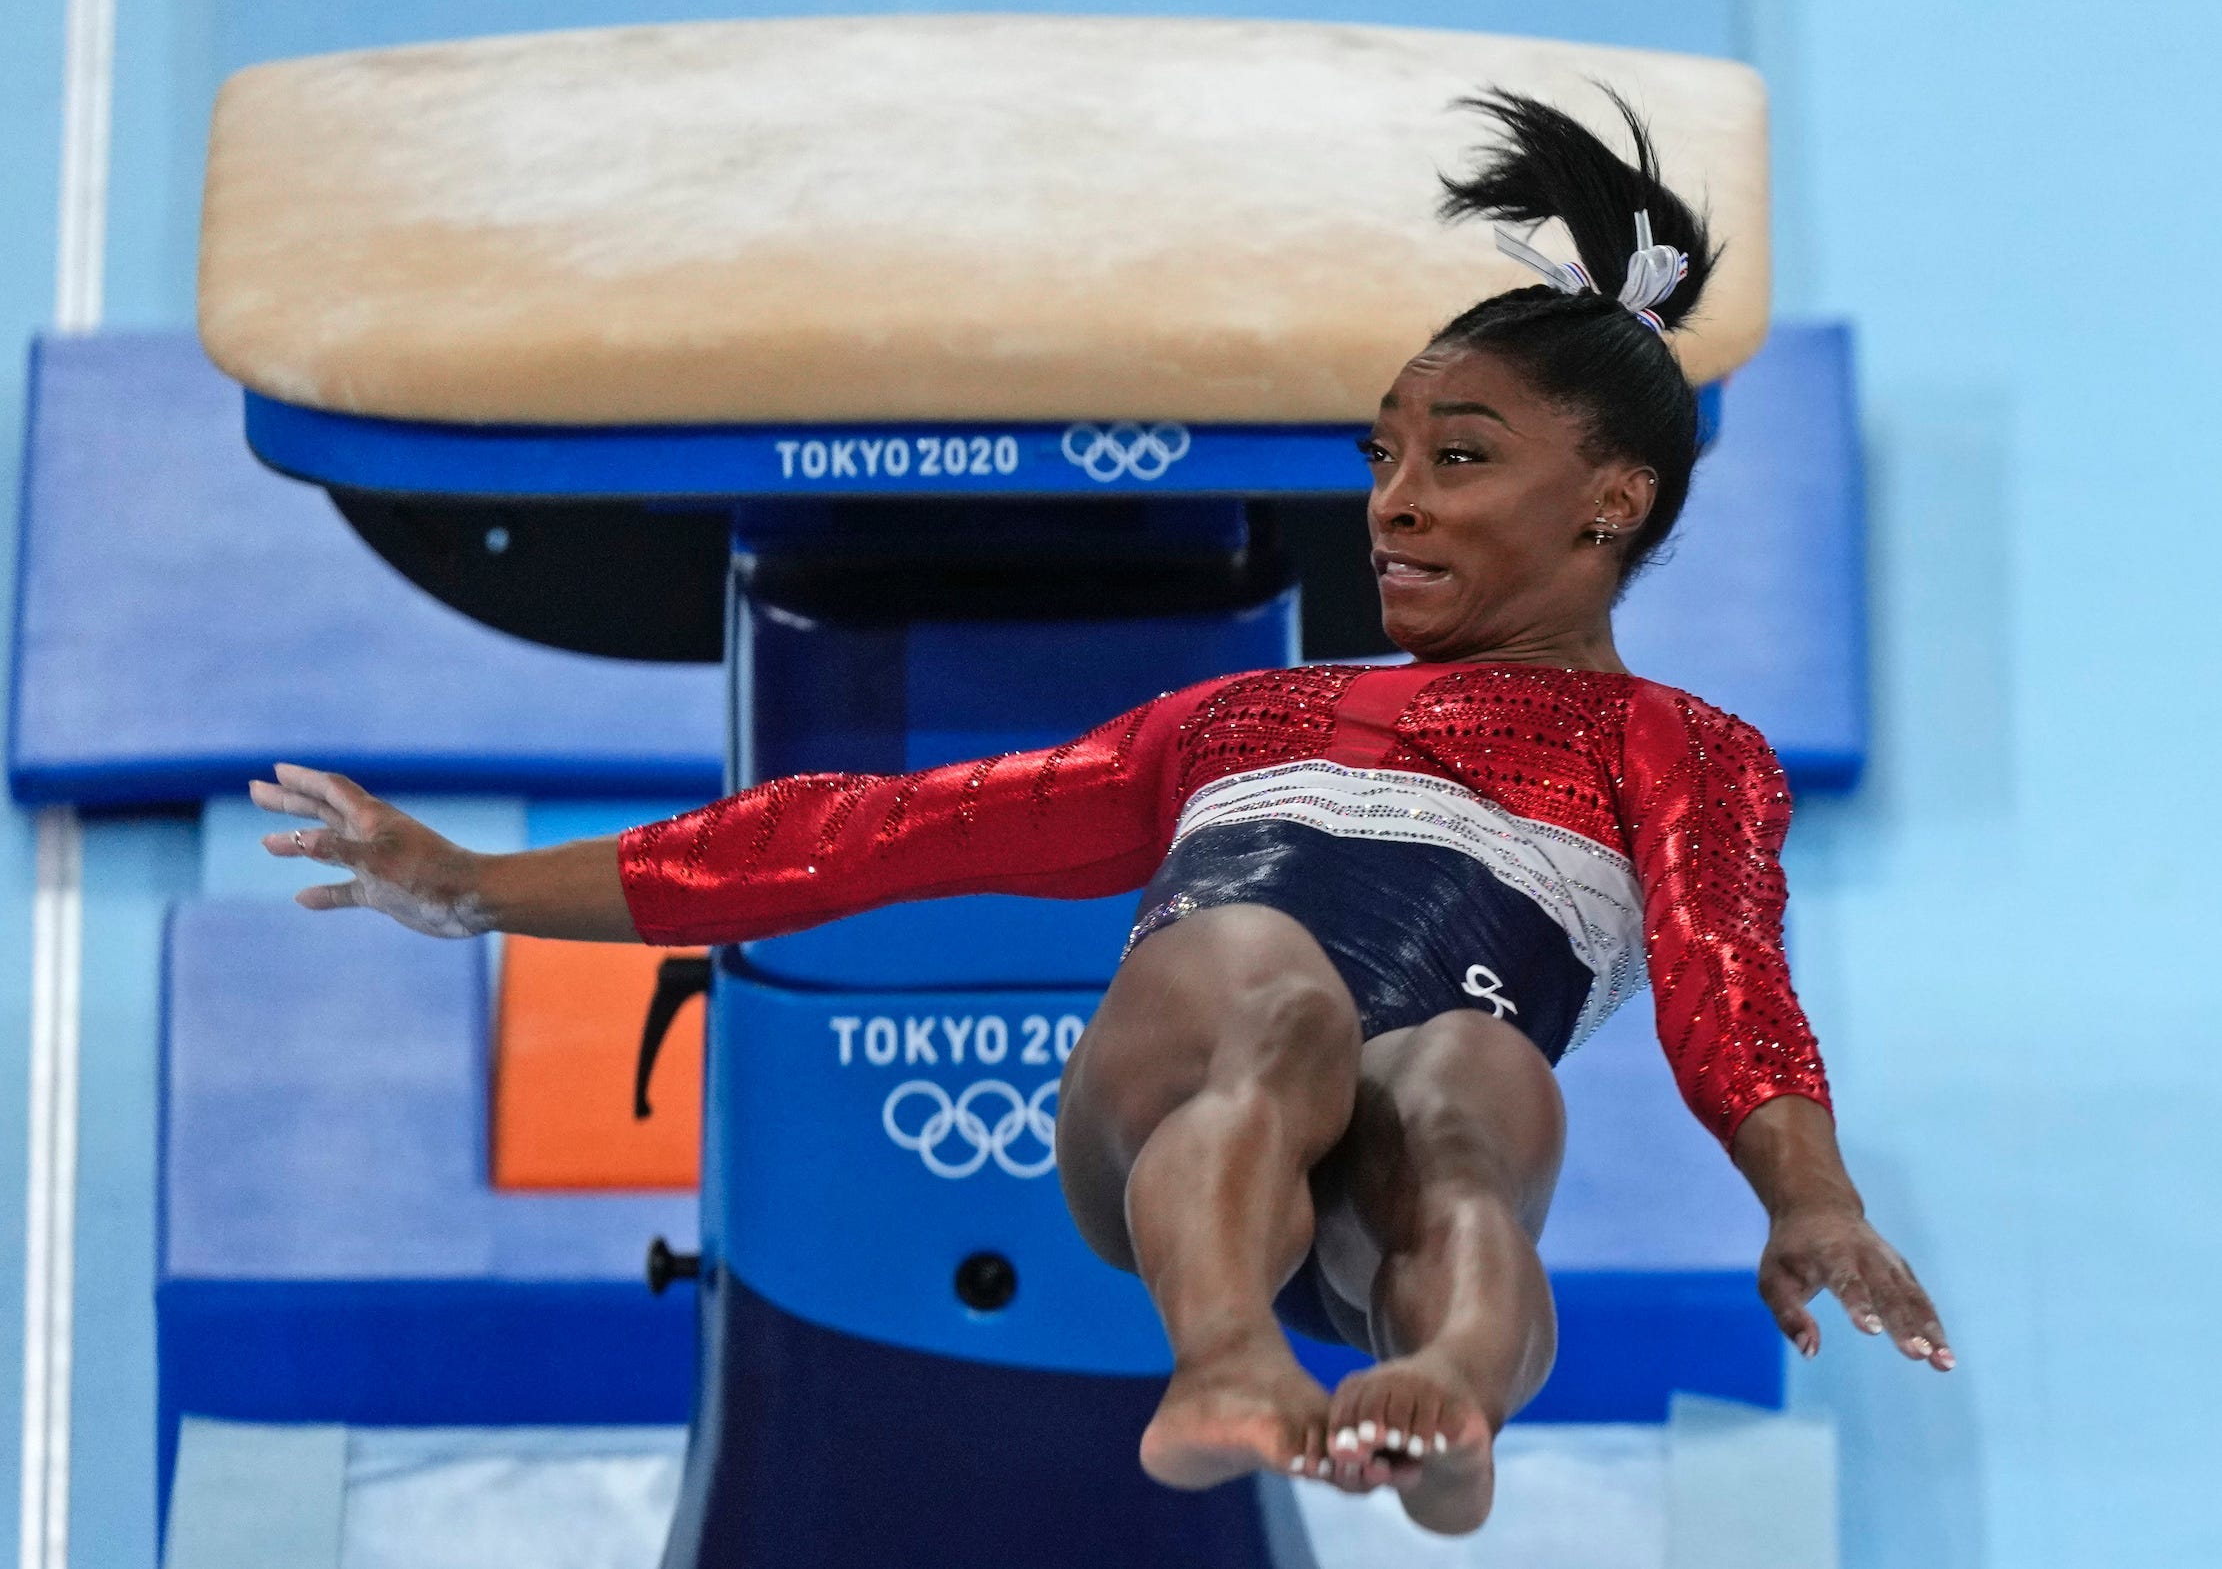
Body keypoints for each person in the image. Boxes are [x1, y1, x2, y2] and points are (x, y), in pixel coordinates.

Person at [253, 89, 1949, 1538]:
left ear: (1610, 501)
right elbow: (866, 833)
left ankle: (1440, 1397)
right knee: (1276, 996)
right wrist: (472, 886)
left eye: (1458, 458)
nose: (1389, 503)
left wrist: (1805, 1194)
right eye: (1383, 455)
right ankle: (1224, 1359)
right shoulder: (1240, 715)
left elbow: (1731, 976)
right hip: (1169, 1125)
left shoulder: (1683, 747)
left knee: (1466, 1091)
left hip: (1376, 1178)